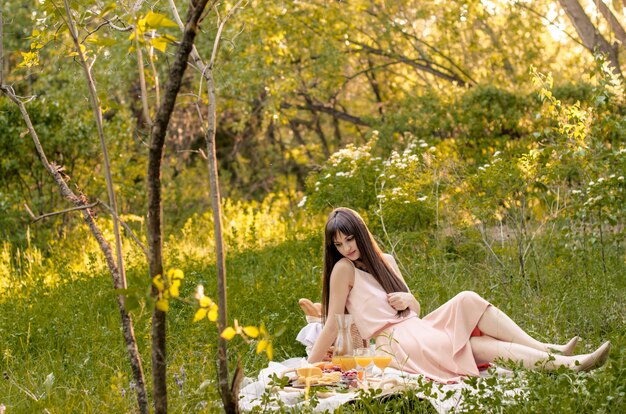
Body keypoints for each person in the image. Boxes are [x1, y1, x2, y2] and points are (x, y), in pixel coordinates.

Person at [307, 207, 611, 383]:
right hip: (396, 342)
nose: (347, 248)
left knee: (467, 297)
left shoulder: (385, 260)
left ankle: (548, 349)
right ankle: (568, 366)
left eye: (350, 239)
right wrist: (308, 365)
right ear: (333, 248)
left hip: (419, 326)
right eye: (339, 244)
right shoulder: (343, 270)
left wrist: (408, 301)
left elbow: (415, 306)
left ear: (360, 234)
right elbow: (333, 324)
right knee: (479, 345)